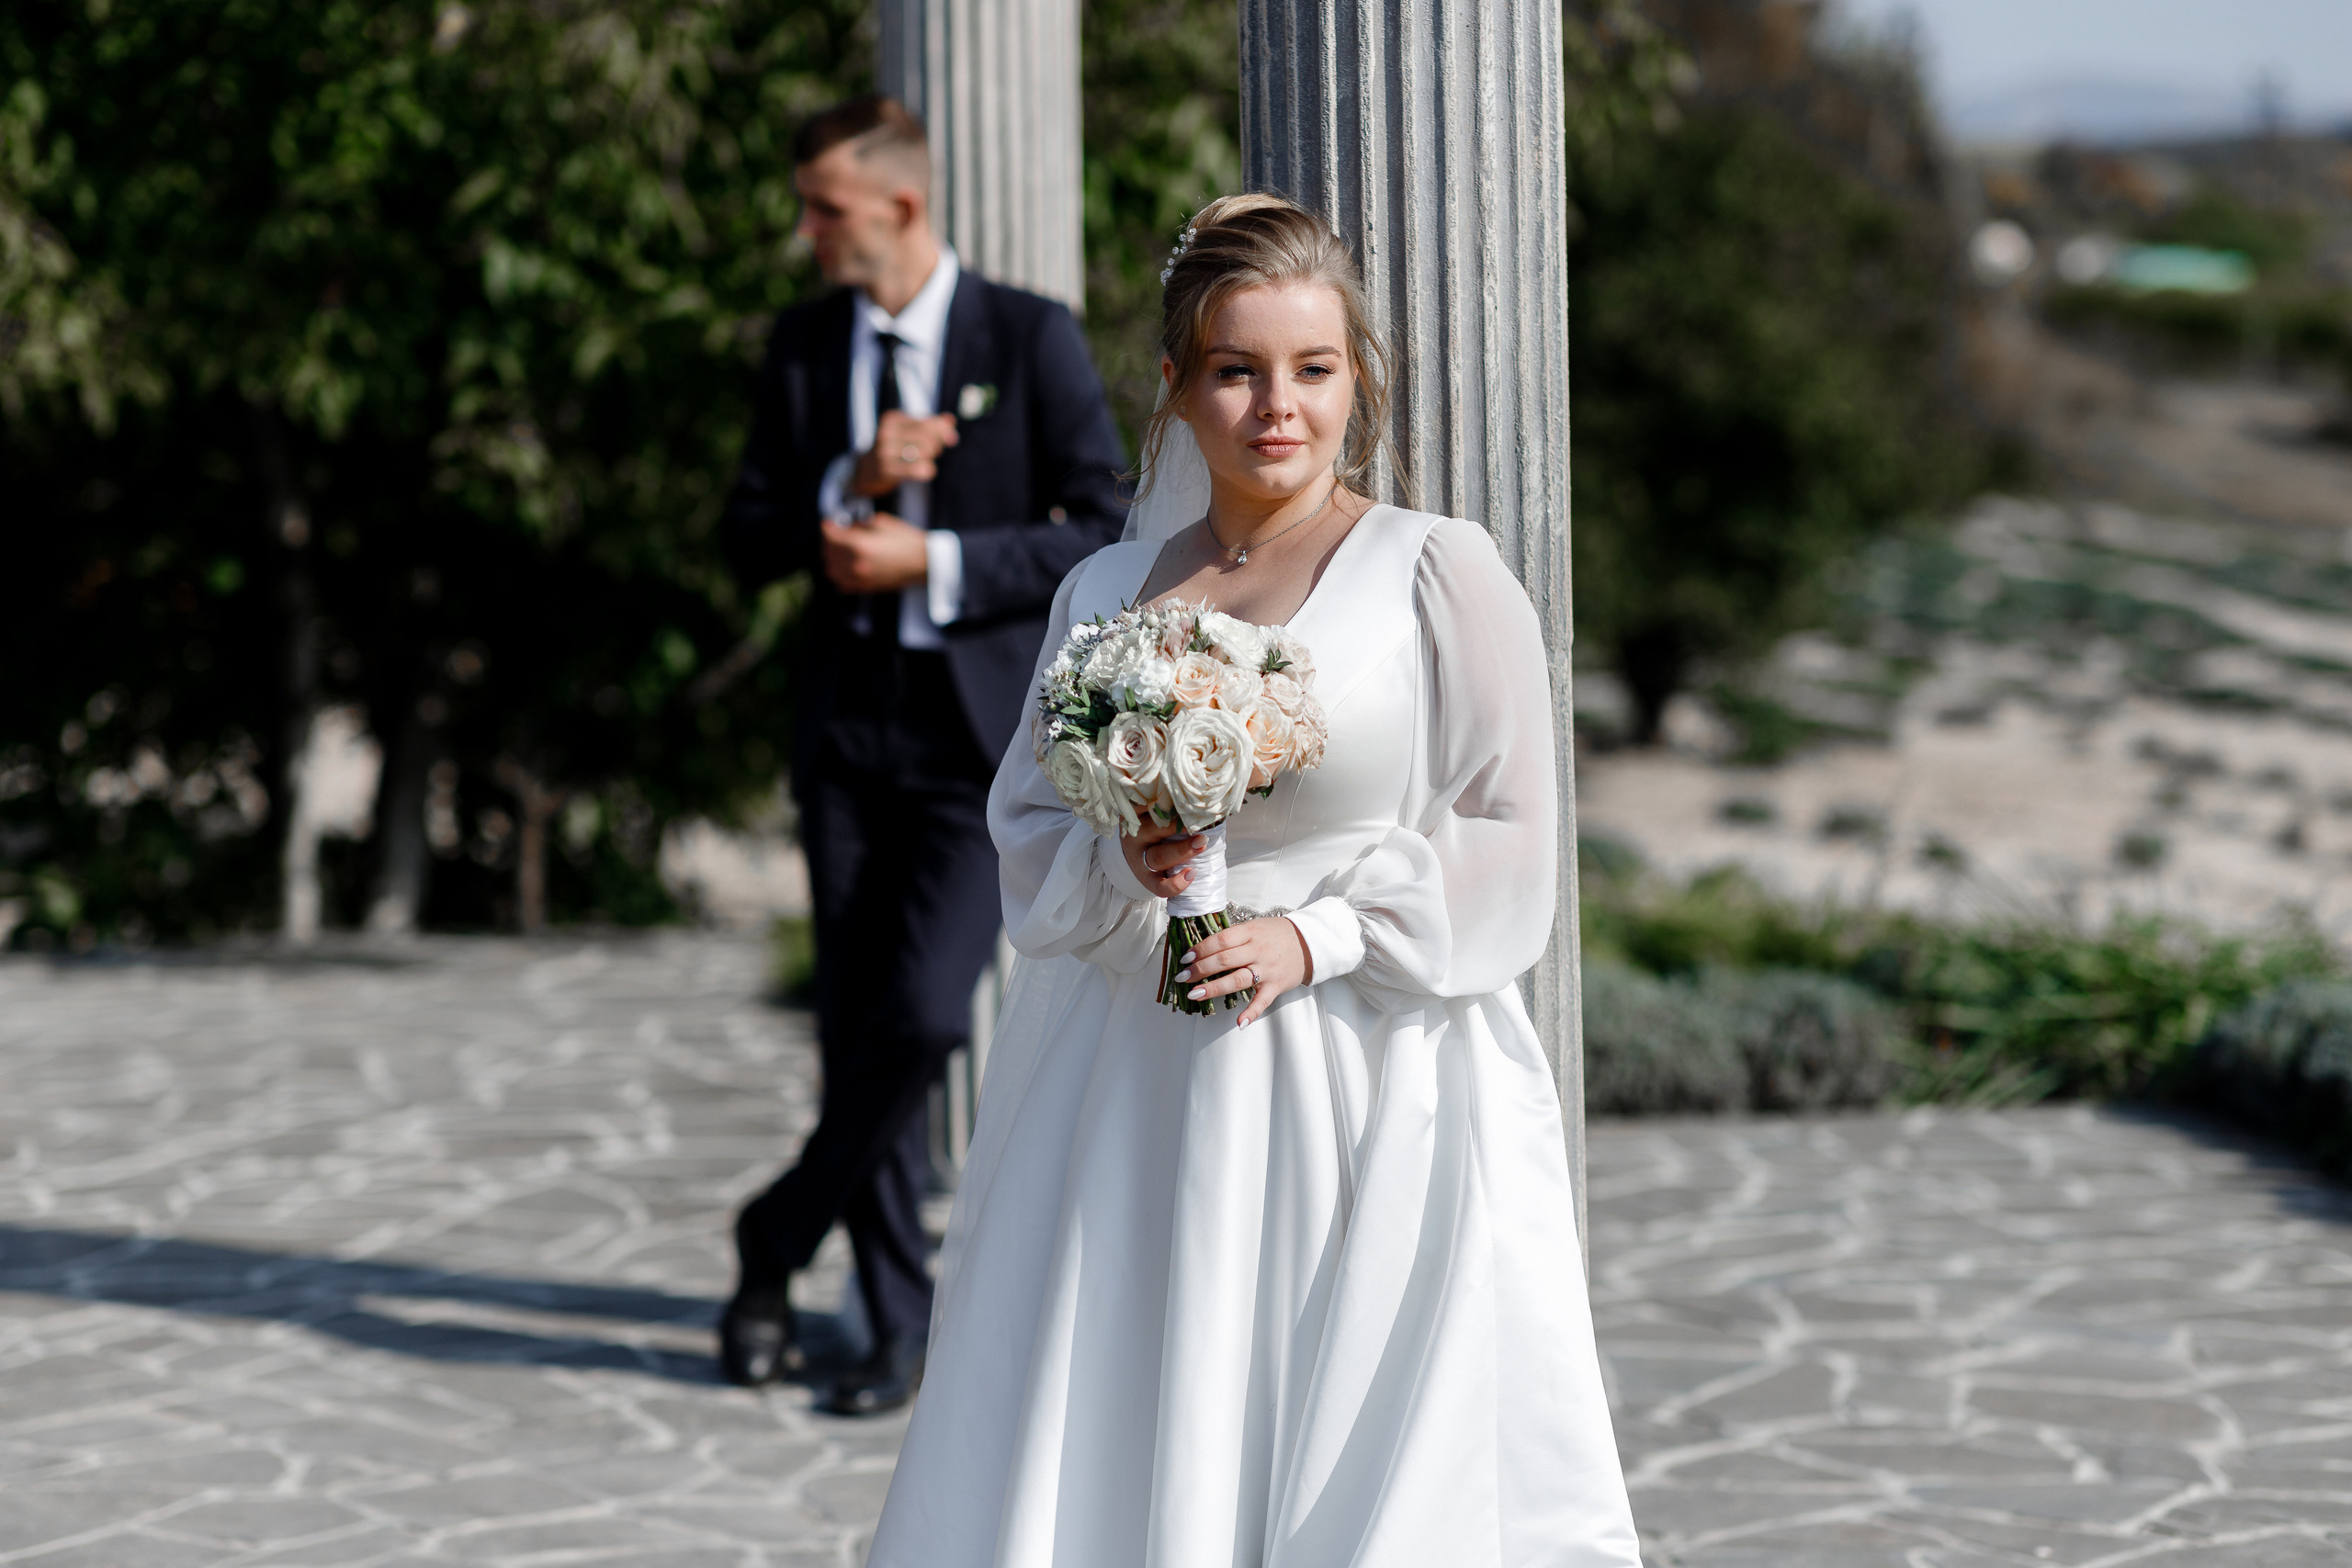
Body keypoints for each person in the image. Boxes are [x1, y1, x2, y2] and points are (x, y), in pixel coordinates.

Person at [865, 192, 1640, 1563]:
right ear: (1175, 386)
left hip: (1367, 1074)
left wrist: (1319, 937)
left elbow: (1512, 824)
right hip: (1138, 1084)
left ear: (1357, 380)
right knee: (1135, 1405)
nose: (1278, 407)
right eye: (1236, 369)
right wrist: (1126, 846)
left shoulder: (1435, 574)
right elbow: (1030, 826)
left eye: (1314, 370)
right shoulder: (1102, 591)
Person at [717, 95, 1127, 1414]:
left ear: (898, 205)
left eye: (823, 207)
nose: (807, 230)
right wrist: (849, 484)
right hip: (843, 733)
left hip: (973, 744)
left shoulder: (1026, 333)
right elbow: (745, 533)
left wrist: (933, 557)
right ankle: (894, 1327)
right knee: (856, 1033)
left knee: (927, 1017)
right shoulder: (798, 346)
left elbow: (1101, 524)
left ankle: (774, 1235)